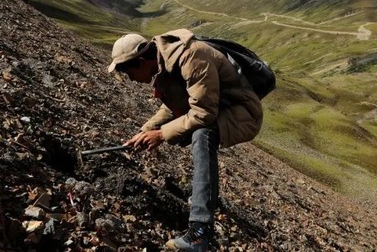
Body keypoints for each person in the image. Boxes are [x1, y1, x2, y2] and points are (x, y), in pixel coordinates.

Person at [108, 29, 263, 251]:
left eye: (128, 72)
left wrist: (161, 134)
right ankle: (206, 199)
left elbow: (203, 113)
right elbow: (174, 105)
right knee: (200, 131)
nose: (131, 79)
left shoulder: (192, 57)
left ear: (141, 62)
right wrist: (145, 131)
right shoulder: (166, 62)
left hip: (243, 113)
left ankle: (199, 234)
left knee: (203, 134)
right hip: (220, 108)